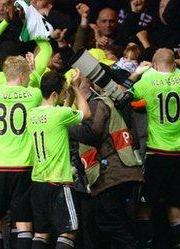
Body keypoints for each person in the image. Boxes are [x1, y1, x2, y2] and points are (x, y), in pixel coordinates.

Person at [0, 16, 52, 249]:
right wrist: (33, 24)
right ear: (23, 75)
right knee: (23, 223)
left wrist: (4, 22)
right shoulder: (33, 94)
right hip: (24, 165)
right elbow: (47, 49)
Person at [68, 73, 143, 248]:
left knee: (110, 224)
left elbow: (92, 133)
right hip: (120, 172)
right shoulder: (103, 102)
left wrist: (63, 129)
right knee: (106, 224)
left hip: (112, 175)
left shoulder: (95, 104)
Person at [27, 71, 91, 249]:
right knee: (69, 231)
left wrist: (67, 96)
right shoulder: (59, 115)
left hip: (38, 181)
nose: (65, 94)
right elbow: (86, 114)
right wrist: (76, 89)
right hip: (59, 182)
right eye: (63, 92)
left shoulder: (32, 114)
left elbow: (63, 112)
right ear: (55, 94)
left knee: (41, 233)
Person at [129, 48, 180, 247]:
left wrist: (138, 72)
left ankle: (145, 244)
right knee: (175, 209)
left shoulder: (148, 80)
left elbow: (124, 94)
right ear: (174, 64)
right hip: (178, 154)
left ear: (155, 65)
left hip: (156, 152)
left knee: (144, 207)